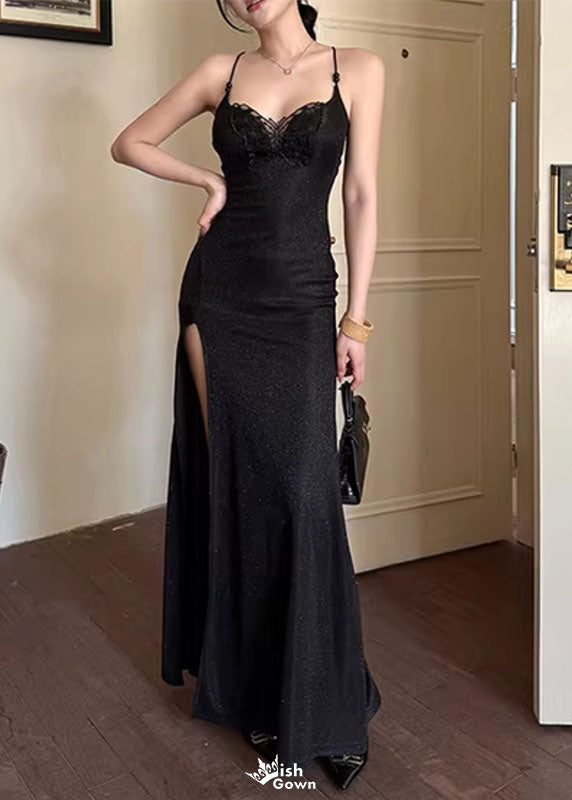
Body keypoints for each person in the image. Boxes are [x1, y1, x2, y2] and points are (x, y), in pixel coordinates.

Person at [110, 0, 385, 789]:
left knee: (304, 497)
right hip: (219, 298)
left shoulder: (358, 69)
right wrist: (204, 176)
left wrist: (357, 322)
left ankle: (331, 699)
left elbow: (361, 195)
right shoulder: (218, 74)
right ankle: (259, 692)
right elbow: (128, 142)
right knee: (247, 491)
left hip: (302, 300)